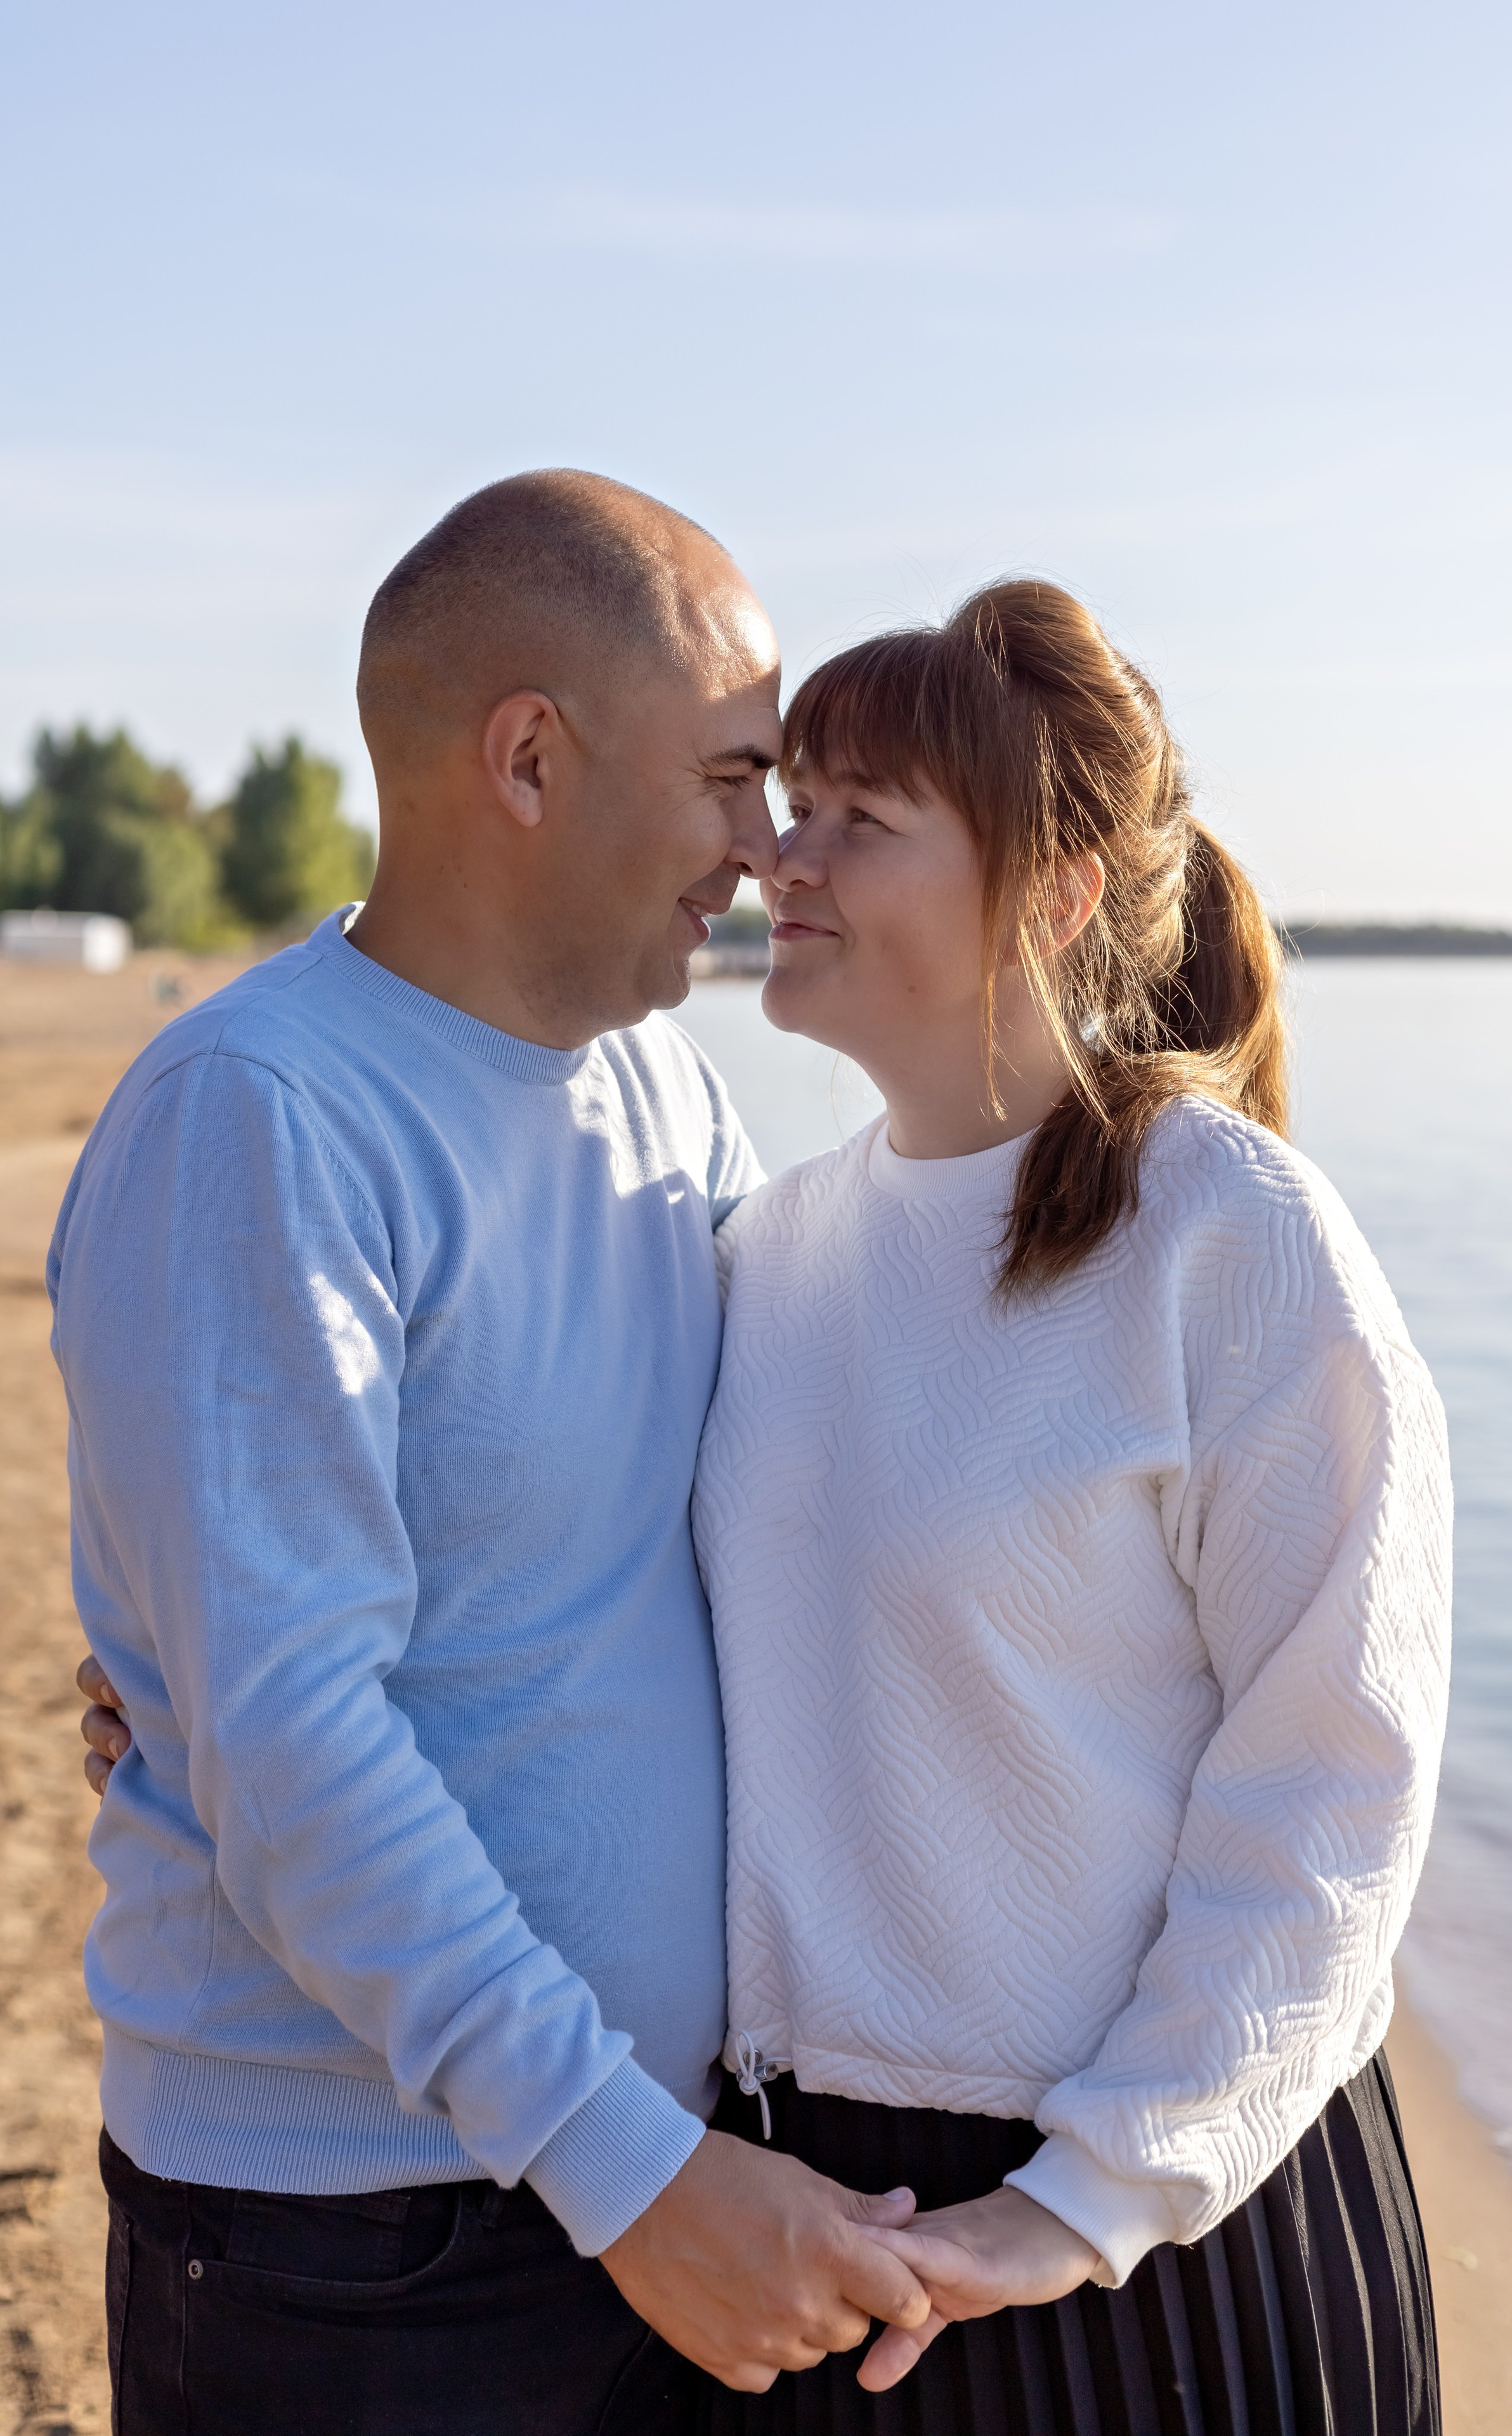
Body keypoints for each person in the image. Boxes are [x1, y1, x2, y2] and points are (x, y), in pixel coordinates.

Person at [56, 470, 932, 2436]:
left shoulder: (665, 1096)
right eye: (733, 776)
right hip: (359, 2252)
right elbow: (297, 1743)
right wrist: (631, 2175)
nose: (767, 843)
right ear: (529, 759)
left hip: (645, 2176)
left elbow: (809, 1495)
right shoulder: (260, 1117)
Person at [685, 581, 1451, 2430]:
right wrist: (208, 1677)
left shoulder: (1228, 1236)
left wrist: (1084, 2200)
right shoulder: (764, 1254)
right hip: (816, 2231)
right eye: (797, 803)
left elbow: (1336, 1781)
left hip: (1166, 2234)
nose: (786, 857)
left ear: (1054, 894)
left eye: (863, 819)